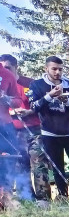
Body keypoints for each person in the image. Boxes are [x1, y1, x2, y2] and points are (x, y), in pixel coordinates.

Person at [27, 56, 69, 198]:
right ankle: (63, 197)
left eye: (60, 69)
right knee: (58, 169)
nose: (57, 72)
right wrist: (50, 96)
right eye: (54, 69)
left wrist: (67, 101)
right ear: (46, 69)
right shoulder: (37, 85)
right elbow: (33, 107)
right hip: (50, 133)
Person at [1, 54, 48, 201]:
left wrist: (29, 111)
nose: (3, 69)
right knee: (19, 165)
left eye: (7, 67)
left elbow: (40, 105)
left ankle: (43, 198)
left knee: (39, 162)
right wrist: (11, 111)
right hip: (13, 130)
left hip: (33, 129)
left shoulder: (30, 83)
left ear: (16, 67)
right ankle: (25, 198)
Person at [0, 58, 27, 206]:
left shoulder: (6, 74)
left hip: (4, 125)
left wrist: (6, 99)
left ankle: (6, 199)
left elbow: (17, 100)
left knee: (8, 161)